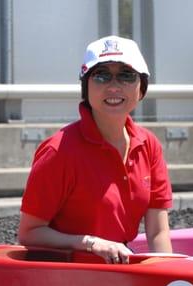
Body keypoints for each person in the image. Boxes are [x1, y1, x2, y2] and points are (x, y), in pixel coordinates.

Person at [18, 35, 172, 264]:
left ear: (141, 89)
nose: (113, 86)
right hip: (65, 283)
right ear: (85, 87)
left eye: (126, 76)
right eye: (101, 76)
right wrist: (90, 243)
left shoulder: (149, 146)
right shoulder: (59, 151)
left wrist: (168, 282)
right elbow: (29, 233)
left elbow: (158, 233)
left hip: (120, 275)